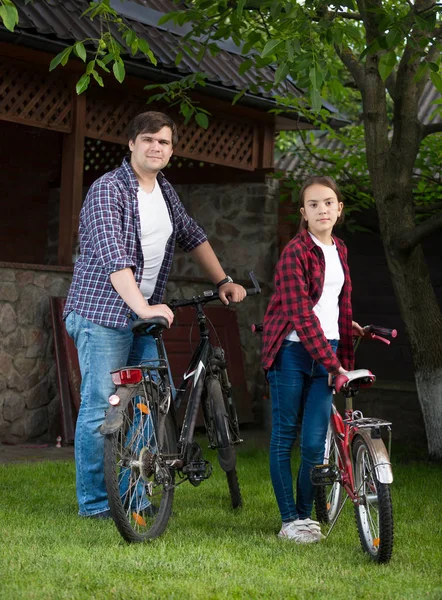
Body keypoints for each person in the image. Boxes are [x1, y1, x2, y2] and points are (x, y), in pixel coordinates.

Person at [64, 111, 246, 519]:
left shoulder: (164, 191)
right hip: (101, 314)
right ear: (131, 144)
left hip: (140, 316)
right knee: (101, 405)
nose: (155, 147)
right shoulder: (107, 190)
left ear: (171, 150)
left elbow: (192, 234)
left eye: (163, 142)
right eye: (147, 139)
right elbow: (114, 256)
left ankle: (134, 495)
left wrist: (223, 281)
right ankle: (96, 505)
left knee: (151, 404)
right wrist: (144, 307)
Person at [261, 175, 364, 543]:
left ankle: (306, 517)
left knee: (313, 441)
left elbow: (331, 300)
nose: (322, 209)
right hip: (292, 351)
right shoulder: (295, 252)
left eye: (328, 203)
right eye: (314, 205)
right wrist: (333, 365)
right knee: (284, 435)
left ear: (339, 209)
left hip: (328, 349)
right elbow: (301, 315)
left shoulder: (340, 249)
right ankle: (290, 519)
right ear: (303, 214)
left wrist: (343, 325)